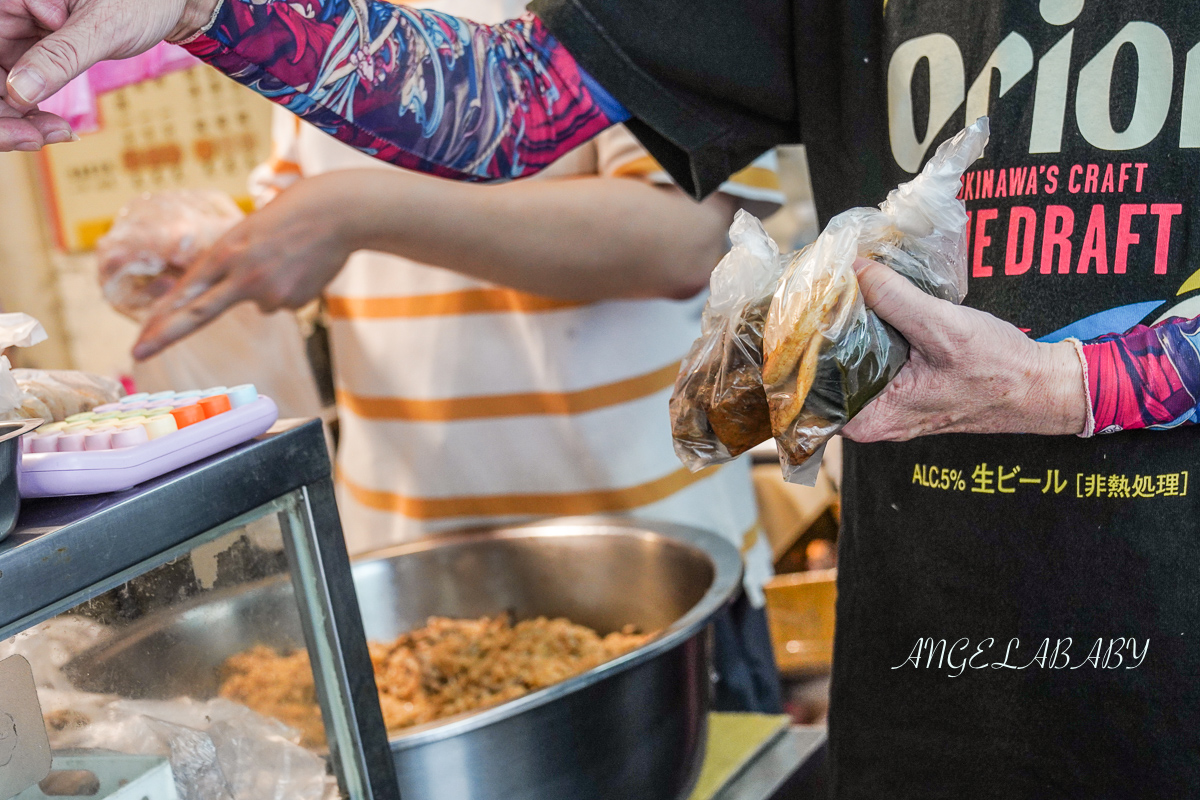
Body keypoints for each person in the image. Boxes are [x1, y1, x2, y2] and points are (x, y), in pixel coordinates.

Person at [3, 0, 1200, 794]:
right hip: (940, 708)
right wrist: (208, 8)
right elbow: (522, 101)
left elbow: (668, 241)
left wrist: (1076, 382)